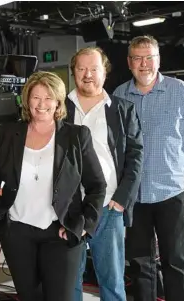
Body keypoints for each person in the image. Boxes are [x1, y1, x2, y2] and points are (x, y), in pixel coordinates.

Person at [0, 71, 107, 301]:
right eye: (36, 97)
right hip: (17, 231)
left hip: (60, 231)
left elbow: (97, 185)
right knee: (29, 297)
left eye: (48, 98)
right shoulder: (8, 133)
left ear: (58, 101)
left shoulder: (76, 136)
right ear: (27, 100)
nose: (41, 104)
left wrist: (84, 225)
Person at [113, 35, 184, 301]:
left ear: (158, 60)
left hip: (171, 191)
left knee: (175, 261)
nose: (143, 64)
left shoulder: (179, 90)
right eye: (137, 58)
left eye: (149, 57)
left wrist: (181, 160)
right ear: (129, 62)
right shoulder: (119, 95)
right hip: (134, 194)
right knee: (139, 263)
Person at [66, 46, 144, 301]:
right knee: (68, 280)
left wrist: (122, 198)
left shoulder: (122, 109)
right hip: (69, 208)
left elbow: (135, 156)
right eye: (81, 69)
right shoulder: (59, 109)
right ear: (73, 72)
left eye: (94, 69)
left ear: (105, 72)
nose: (87, 74)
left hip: (109, 207)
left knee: (112, 280)